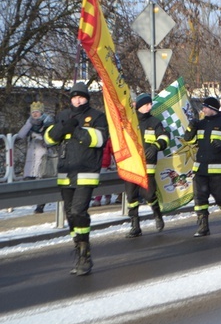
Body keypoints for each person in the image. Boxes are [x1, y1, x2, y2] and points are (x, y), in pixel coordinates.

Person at [44, 82, 108, 276]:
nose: (77, 100)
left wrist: (76, 131)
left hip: (86, 171)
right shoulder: (63, 115)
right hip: (65, 172)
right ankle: (78, 245)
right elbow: (49, 139)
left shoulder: (97, 116)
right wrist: (62, 128)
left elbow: (100, 140)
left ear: (87, 98)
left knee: (79, 211)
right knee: (70, 215)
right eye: (74, 97)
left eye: (81, 97)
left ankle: (85, 253)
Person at [183, 96, 221, 237]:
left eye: (205, 107)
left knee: (220, 197)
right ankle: (203, 227)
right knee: (200, 198)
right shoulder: (200, 124)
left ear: (213, 109)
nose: (203, 109)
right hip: (200, 168)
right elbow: (189, 139)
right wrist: (191, 126)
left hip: (217, 169)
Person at [123, 94, 170, 238]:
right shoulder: (130, 121)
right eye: (146, 104)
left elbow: (165, 138)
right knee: (131, 197)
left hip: (148, 166)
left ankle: (157, 214)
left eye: (150, 104)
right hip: (131, 165)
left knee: (149, 194)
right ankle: (135, 226)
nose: (149, 107)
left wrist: (155, 147)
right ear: (139, 106)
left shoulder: (154, 122)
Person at [17, 101, 55, 213]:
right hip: (31, 156)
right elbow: (20, 135)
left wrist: (38, 137)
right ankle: (36, 203)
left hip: (44, 155)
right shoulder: (30, 122)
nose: (35, 114)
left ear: (41, 112)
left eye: (37, 112)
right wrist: (29, 123)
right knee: (30, 179)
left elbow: (50, 138)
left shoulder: (48, 121)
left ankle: (41, 205)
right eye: (33, 112)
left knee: (42, 179)